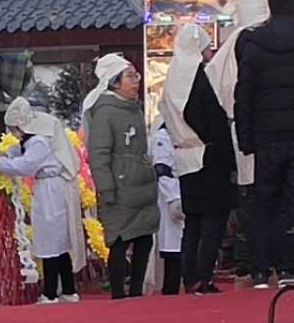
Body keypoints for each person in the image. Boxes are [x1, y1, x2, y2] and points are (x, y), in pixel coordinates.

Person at [235, 0, 294, 286]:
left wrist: (245, 138)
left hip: (266, 136)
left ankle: (260, 268)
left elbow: (245, 95)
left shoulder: (253, 43)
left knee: (263, 201)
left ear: (269, 8)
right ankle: (291, 266)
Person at [160, 24, 237, 295]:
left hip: (184, 156)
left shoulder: (172, 79)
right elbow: (212, 119)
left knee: (193, 221)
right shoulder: (199, 78)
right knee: (214, 218)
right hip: (208, 154)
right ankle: (204, 276)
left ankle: (189, 275)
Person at [0, 97, 86, 304]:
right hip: (51, 189)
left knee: (49, 242)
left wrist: (1, 163)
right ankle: (69, 290)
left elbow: (25, 165)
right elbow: (20, 149)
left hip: (51, 191)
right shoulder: (37, 136)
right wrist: (7, 153)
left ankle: (51, 293)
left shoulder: (38, 141)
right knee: (59, 242)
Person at [83, 53, 159, 299]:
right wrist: (107, 189)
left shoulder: (133, 108)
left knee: (144, 238)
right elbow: (99, 153)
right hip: (119, 186)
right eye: (130, 77)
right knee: (119, 240)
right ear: (114, 82)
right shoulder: (105, 112)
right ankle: (118, 293)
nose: (136, 81)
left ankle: (136, 291)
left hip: (141, 184)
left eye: (136, 76)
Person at [209, 0, 271, 282]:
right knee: (261, 194)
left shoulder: (229, 46)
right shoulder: (252, 40)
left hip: (238, 126)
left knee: (250, 195)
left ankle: (250, 259)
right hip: (256, 126)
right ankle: (260, 259)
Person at [148, 121, 184, 295]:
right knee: (172, 247)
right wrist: (173, 198)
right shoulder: (161, 137)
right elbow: (162, 169)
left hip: (188, 189)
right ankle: (170, 290)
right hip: (170, 195)